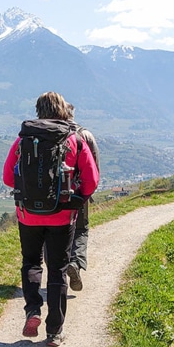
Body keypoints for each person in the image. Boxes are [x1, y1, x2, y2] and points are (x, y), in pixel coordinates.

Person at [3, 92, 100, 346]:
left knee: (31, 263)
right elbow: (91, 180)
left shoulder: (23, 139)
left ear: (39, 110)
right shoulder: (74, 139)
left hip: (27, 215)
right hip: (62, 215)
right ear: (63, 109)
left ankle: (33, 310)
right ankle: (54, 331)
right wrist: (78, 199)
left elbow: (8, 178)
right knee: (58, 270)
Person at [64, 103, 100, 291]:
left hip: (52, 196)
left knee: (52, 232)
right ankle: (75, 263)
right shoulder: (84, 135)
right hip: (77, 193)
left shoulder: (50, 135)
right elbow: (94, 169)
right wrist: (87, 194)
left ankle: (57, 272)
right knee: (80, 230)